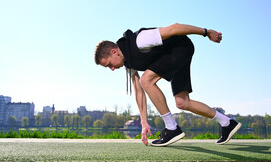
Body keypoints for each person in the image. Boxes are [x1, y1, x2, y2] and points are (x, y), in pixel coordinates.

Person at [94, 23, 241, 146]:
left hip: (180, 47)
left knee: (146, 79)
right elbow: (139, 92)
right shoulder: (128, 62)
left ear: (114, 52)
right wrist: (144, 122)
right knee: (182, 102)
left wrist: (206, 32)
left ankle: (172, 128)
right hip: (176, 53)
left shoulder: (140, 40)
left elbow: (175, 28)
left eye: (109, 65)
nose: (112, 69)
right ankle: (227, 123)